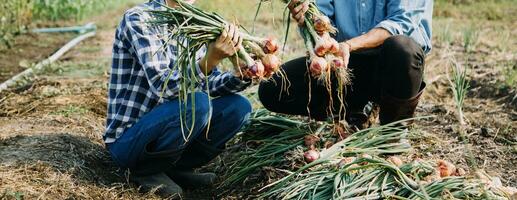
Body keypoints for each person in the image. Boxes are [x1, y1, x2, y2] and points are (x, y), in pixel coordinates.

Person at [104, 0, 252, 197]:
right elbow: (163, 85)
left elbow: (209, 81)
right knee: (198, 104)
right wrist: (211, 59)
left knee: (237, 108)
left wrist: (240, 75)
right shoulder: (140, 18)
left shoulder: (195, 24)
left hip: (168, 125)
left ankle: (175, 169)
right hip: (129, 140)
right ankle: (145, 171)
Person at [259, 0, 433, 130]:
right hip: (346, 66)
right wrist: (309, 20)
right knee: (273, 87)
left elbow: (401, 23)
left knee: (402, 48)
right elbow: (323, 20)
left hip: (393, 66)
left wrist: (349, 45)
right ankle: (355, 109)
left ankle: (394, 129)